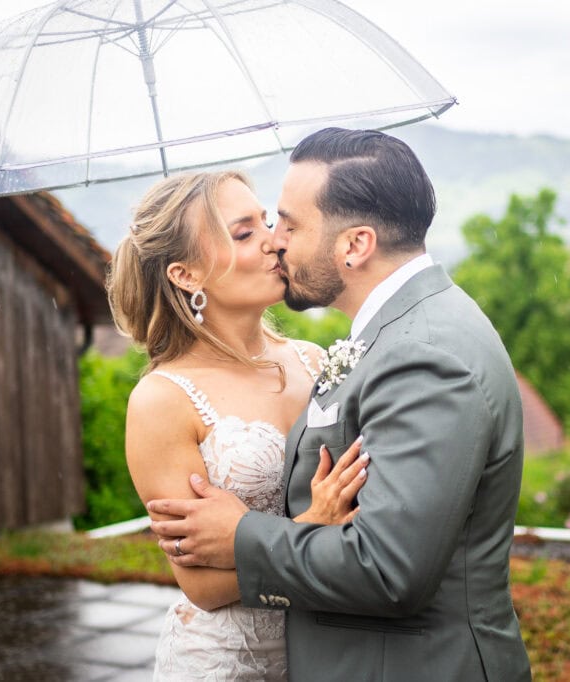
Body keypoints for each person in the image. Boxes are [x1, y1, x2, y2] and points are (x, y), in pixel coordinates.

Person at [147, 128, 532, 681]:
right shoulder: (395, 332)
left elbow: (387, 570)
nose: (275, 241)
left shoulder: (423, 355)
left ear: (355, 245)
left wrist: (240, 536)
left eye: (289, 223)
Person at [106, 170, 369, 681]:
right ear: (186, 274)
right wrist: (310, 527)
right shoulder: (162, 400)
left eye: (267, 222)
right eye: (245, 233)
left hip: (324, 650)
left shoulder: (315, 363)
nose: (276, 242)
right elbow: (202, 587)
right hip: (225, 662)